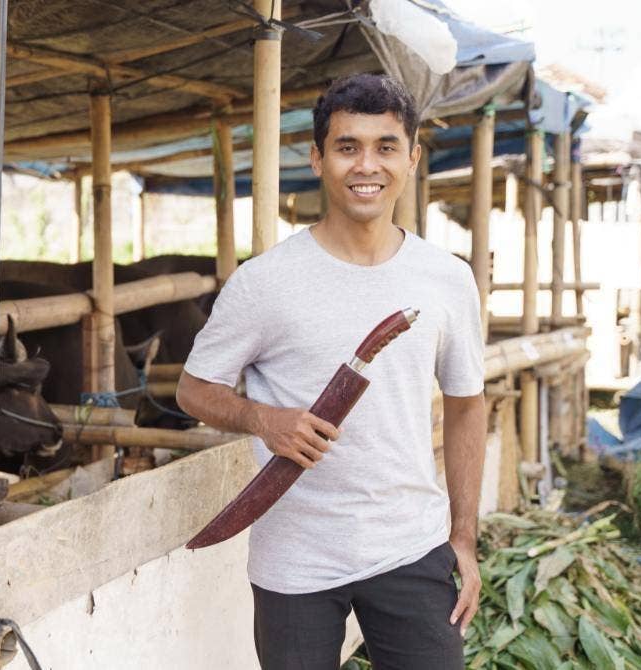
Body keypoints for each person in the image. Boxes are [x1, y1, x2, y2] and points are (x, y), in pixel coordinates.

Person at [176, 73, 486, 669]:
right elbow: (194, 389)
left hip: (411, 544)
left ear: (413, 158)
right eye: (347, 147)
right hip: (295, 556)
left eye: (386, 146)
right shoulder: (265, 281)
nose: (366, 165)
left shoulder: (445, 277)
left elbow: (467, 402)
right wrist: (262, 418)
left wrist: (464, 538)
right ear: (318, 159)